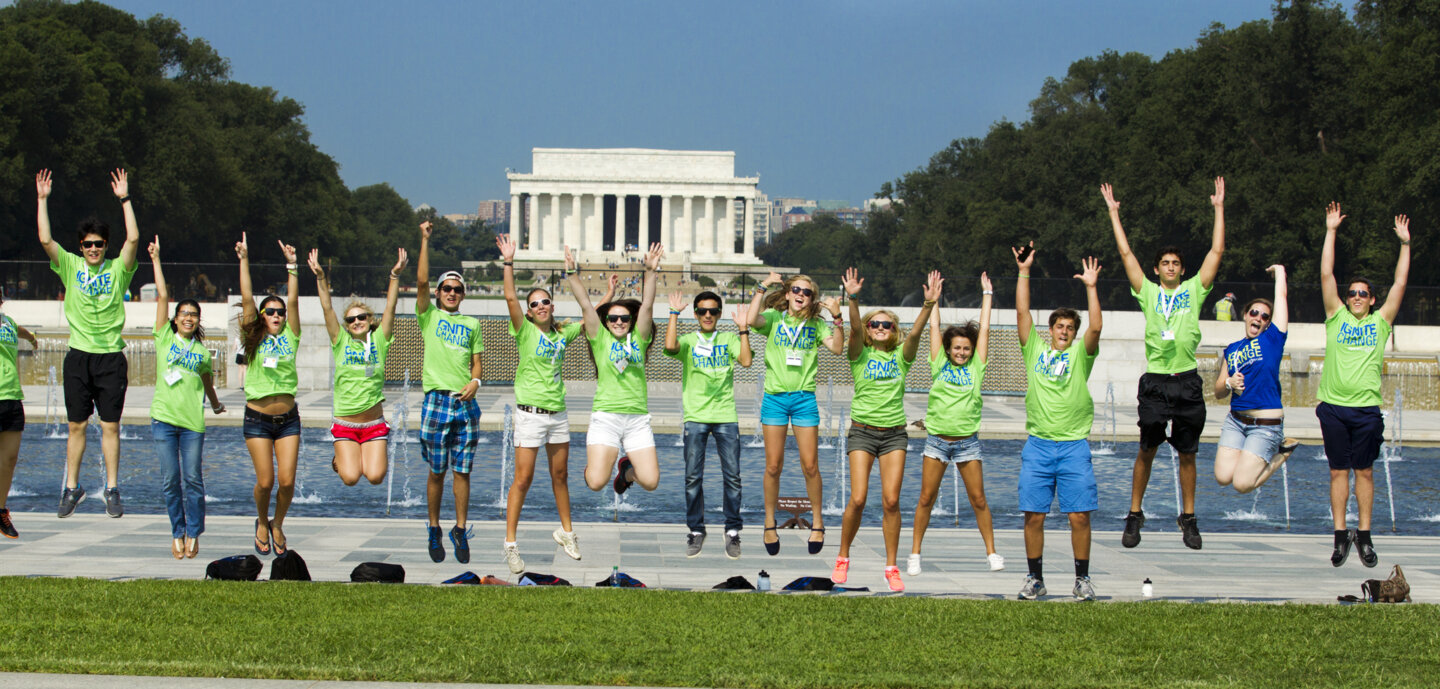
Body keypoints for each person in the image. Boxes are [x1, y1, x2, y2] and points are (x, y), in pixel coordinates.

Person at [1102, 177, 1226, 550]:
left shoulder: (1193, 290)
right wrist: (1113, 214)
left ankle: (1188, 517)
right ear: (1157, 270)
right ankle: (1134, 514)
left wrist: (1219, 208)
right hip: (1156, 382)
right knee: (1147, 449)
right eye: (1164, 263)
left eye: (1175, 263)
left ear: (1182, 270)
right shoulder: (1149, 293)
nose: (1170, 267)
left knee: (1188, 454)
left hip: (1186, 381)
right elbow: (1126, 256)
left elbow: (1216, 253)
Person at [36, 168, 140, 518]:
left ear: (105, 246)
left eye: (98, 244)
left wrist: (125, 199)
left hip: (111, 356)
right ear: (80, 247)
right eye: (87, 244)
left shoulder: (116, 269)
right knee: (76, 425)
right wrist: (42, 200)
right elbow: (46, 241)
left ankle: (111, 488)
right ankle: (72, 487)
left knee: (110, 425)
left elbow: (134, 240)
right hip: (79, 357)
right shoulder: (69, 265)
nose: (93, 249)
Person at [832, 268, 939, 592]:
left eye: (886, 324)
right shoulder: (859, 354)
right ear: (868, 329)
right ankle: (843, 556)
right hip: (863, 432)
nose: (880, 328)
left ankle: (891, 566)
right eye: (874, 324)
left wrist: (928, 305)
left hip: (893, 434)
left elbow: (917, 336)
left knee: (891, 501)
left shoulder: (901, 357)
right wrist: (853, 298)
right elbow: (852, 329)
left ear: (894, 330)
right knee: (859, 498)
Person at [1317, 203, 1410, 568]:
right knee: (1338, 471)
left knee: (1365, 472)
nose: (1355, 296)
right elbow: (1326, 274)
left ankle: (1365, 536)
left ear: (1372, 300)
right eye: (1352, 292)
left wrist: (1404, 245)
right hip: (1333, 407)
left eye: (1362, 293)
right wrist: (1331, 231)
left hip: (1367, 410)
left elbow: (1401, 283)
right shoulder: (1336, 317)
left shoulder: (1381, 322)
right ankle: (1341, 536)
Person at [1014, 245, 1103, 601]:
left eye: (1069, 327)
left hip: (1073, 446)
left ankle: (1082, 579)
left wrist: (1092, 286)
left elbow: (1096, 326)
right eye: (1059, 326)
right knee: (1033, 516)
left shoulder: (1082, 355)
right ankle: (1035, 578)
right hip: (1038, 444)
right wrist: (1024, 271)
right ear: (1049, 329)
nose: (1064, 331)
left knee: (1079, 516)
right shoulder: (1034, 349)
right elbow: (1022, 312)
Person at [495, 233, 584, 574]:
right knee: (523, 478)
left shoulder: (562, 335)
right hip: (530, 414)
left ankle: (567, 532)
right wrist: (508, 262)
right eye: (534, 304)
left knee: (560, 475)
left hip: (557, 414)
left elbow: (592, 316)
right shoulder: (525, 331)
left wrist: (604, 291)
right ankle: (511, 545)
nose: (540, 306)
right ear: (529, 313)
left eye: (545, 301)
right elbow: (508, 296)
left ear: (552, 306)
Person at [909, 272, 1002, 576]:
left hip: (967, 444)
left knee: (978, 499)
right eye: (957, 348)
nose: (961, 352)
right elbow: (934, 327)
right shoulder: (938, 361)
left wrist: (987, 295)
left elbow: (985, 329)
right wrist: (932, 299)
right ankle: (915, 554)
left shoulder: (977, 367)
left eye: (966, 348)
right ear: (948, 349)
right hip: (937, 442)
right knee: (926, 498)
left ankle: (991, 552)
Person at [747, 271, 845, 556]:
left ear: (812, 298)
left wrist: (838, 319)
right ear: (788, 294)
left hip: (804, 399)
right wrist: (762, 286)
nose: (801, 295)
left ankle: (817, 522)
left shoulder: (816, 325)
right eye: (796, 290)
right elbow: (753, 320)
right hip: (775, 399)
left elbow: (837, 349)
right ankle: (769, 522)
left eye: (807, 292)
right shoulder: (776, 320)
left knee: (810, 465)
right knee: (773, 466)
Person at [564, 243, 664, 499]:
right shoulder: (600, 339)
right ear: (606, 323)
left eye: (624, 318)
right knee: (596, 482)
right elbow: (586, 305)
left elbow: (648, 305)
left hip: (637, 420)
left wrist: (650, 271)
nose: (619, 322)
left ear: (631, 321)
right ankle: (598, 466)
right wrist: (572, 273)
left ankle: (626, 471)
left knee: (651, 482)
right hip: (606, 418)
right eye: (613, 318)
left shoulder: (639, 339)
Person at [148, 237, 225, 559]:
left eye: (194, 314)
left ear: (198, 319)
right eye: (184, 313)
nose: (189, 318)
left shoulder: (202, 352)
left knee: (192, 479)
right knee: (170, 482)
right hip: (164, 420)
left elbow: (207, 382)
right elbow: (163, 295)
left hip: (193, 423)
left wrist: (217, 403)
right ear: (176, 318)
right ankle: (176, 532)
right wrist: (156, 258)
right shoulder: (164, 336)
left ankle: (194, 532)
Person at [663, 289, 753, 559]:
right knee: (693, 477)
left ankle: (733, 531)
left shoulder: (727, 338)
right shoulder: (689, 340)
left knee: (733, 477)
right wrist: (673, 314)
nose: (708, 315)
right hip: (696, 416)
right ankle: (696, 530)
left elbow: (746, 361)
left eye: (713, 311)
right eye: (702, 311)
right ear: (696, 314)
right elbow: (669, 347)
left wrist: (743, 330)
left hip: (725, 415)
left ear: (719, 314)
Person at [416, 221, 485, 564]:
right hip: (436, 401)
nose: (451, 293)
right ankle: (433, 527)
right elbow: (421, 282)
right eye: (447, 288)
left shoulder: (472, 325)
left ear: (463, 293)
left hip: (464, 403)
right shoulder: (428, 316)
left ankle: (459, 529)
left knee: (463, 471)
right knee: (436, 470)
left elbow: (477, 366)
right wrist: (425, 241)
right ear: (439, 292)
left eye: (457, 289)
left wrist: (477, 383)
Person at [308, 247, 407, 487]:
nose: (356, 322)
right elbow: (327, 309)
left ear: (370, 320)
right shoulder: (340, 342)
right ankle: (343, 454)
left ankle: (353, 454)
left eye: (361, 317)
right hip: (345, 424)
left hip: (373, 425)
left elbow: (391, 308)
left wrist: (394, 276)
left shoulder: (380, 340)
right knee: (351, 478)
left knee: (375, 477)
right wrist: (321, 277)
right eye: (351, 319)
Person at [236, 232, 301, 557]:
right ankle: (261, 521)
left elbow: (293, 301)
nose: (276, 315)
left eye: (279, 312)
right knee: (265, 482)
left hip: (288, 419)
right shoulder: (254, 337)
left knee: (287, 483)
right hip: (258, 419)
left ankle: (277, 522)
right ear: (261, 316)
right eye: (269, 311)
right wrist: (244, 259)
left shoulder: (292, 335)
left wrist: (292, 266)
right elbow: (247, 298)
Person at [1214, 265, 1298, 494]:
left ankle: (1282, 452)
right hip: (1235, 422)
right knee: (1222, 477)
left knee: (1242, 484)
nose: (1258, 318)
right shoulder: (1231, 350)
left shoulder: (1273, 340)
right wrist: (1229, 383)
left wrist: (1280, 273)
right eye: (1254, 313)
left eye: (1264, 316)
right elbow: (1218, 391)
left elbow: (1281, 297)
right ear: (1245, 315)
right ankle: (1250, 457)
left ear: (1268, 323)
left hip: (1265, 425)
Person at [0, 288, 40, 538]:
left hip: (12, 396)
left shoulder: (8, 323)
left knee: (10, 459)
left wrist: (32, 338)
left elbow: (20, 330)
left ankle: (0, 509)